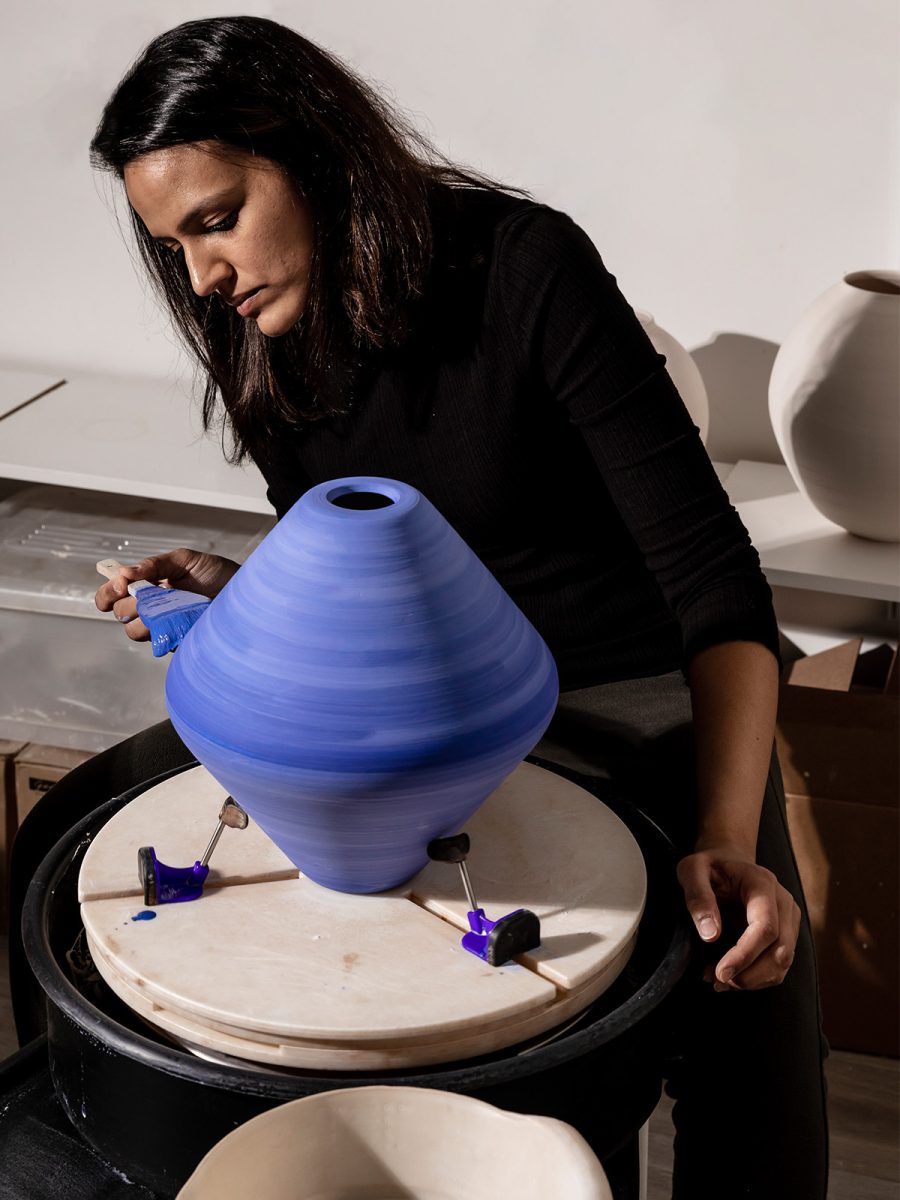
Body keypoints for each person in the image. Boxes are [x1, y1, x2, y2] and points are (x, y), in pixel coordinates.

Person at [8, 16, 828, 1198]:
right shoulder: (263, 331)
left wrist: (727, 838)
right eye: (174, 245)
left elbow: (719, 585)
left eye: (218, 219)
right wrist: (238, 596)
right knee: (67, 830)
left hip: (616, 686)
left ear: (316, 154)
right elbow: (359, 578)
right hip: (413, 705)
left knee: (740, 974)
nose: (202, 278)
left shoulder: (525, 267)